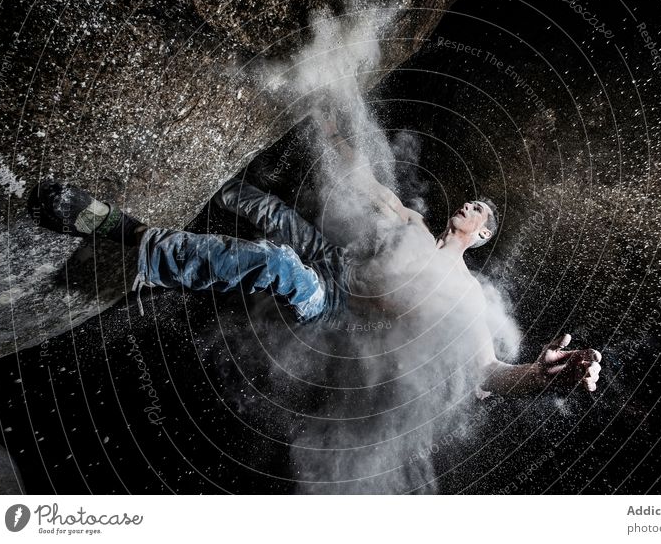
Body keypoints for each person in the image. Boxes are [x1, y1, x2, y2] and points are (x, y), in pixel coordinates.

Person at [29, 111, 600, 397]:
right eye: (472, 200)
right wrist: (326, 117)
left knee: (277, 264)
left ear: (480, 236)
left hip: (333, 300)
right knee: (248, 200)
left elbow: (486, 372)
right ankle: (177, 232)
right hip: (333, 255)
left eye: (480, 211)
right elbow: (367, 180)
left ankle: (130, 242)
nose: (471, 205)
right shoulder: (416, 225)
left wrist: (536, 378)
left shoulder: (466, 296)